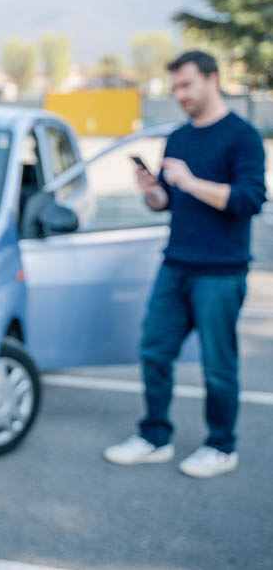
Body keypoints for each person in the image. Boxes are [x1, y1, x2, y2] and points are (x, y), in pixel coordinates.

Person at [104, 50, 267, 478]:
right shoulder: (178, 138)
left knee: (218, 364)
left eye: (186, 85)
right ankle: (155, 435)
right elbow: (167, 203)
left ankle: (221, 445)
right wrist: (152, 191)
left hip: (221, 271)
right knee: (154, 351)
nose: (179, 94)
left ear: (212, 80)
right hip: (175, 264)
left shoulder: (242, 136)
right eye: (174, 87)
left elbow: (250, 200)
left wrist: (190, 181)